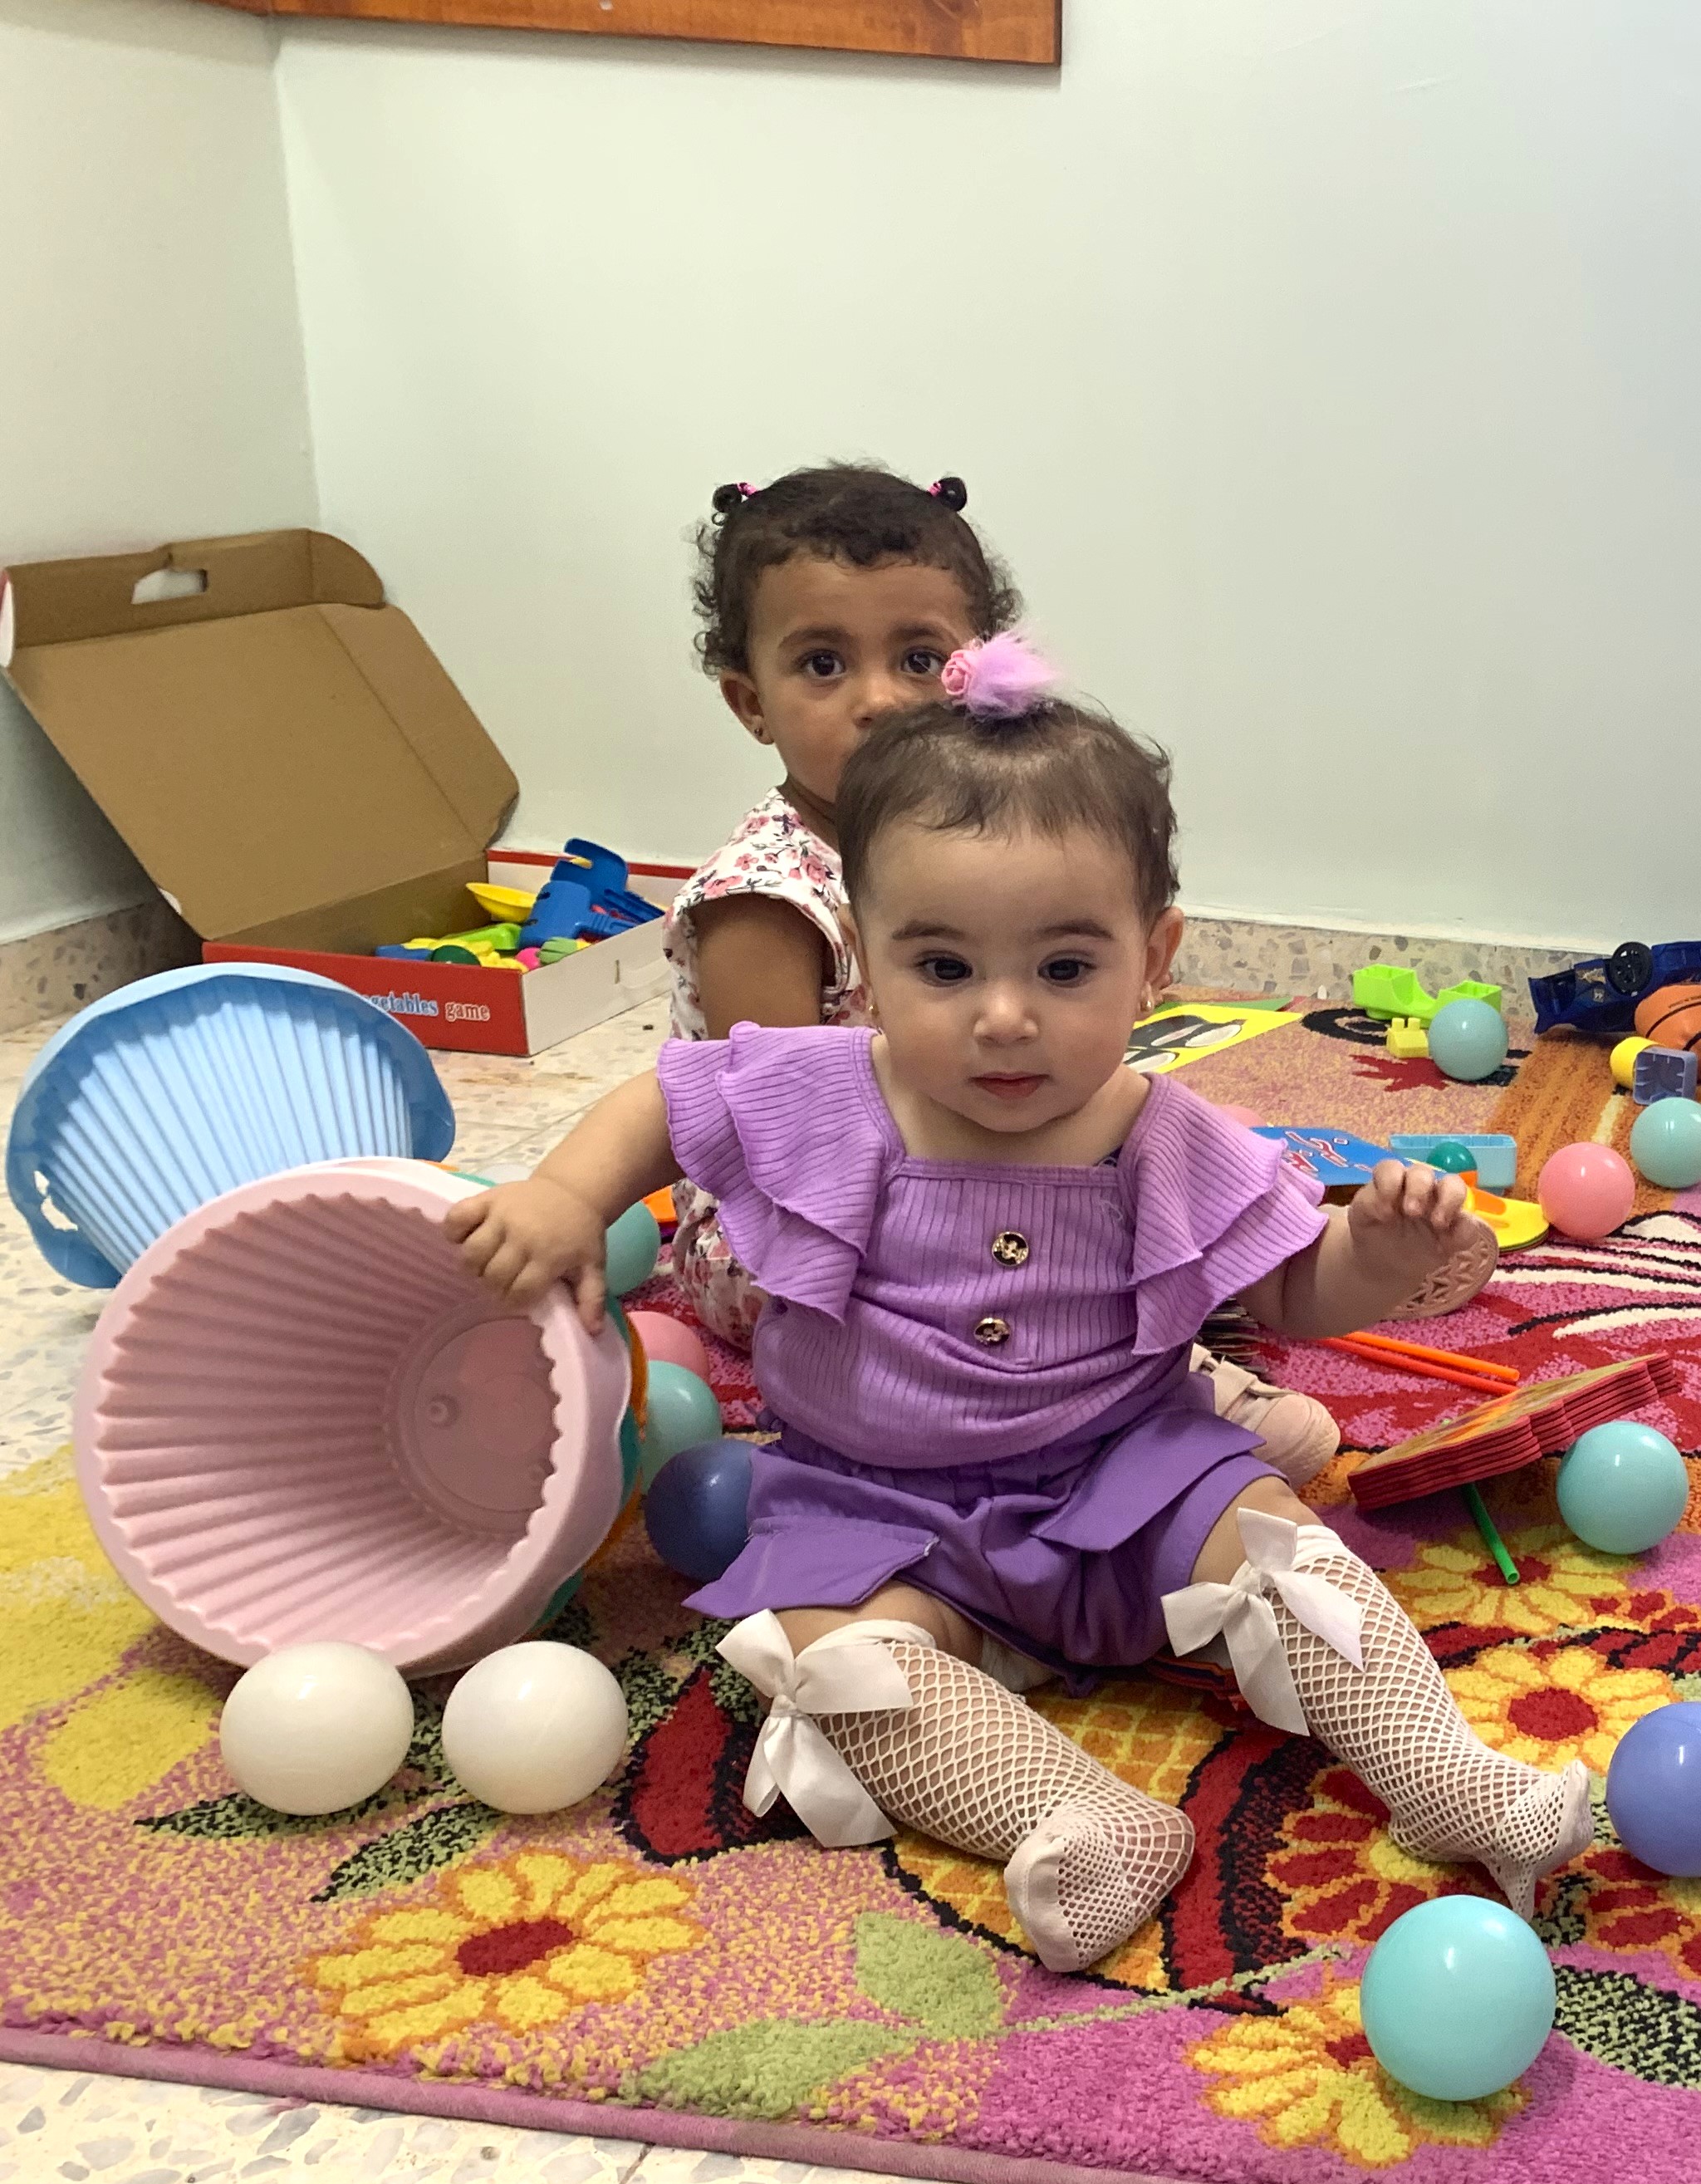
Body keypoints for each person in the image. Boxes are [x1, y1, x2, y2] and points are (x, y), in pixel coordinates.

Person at [450, 640, 1577, 1970]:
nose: (1002, 1020)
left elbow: (1294, 1290)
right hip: (876, 1504)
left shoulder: (1168, 1133)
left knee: (1285, 1550)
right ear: (863, 956)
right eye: (941, 969)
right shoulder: (825, 1086)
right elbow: (666, 1100)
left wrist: (1376, 1260)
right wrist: (569, 1195)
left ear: (1153, 957)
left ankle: (1442, 1774)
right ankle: (1078, 1817)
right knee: (829, 1664)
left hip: (1125, 1473)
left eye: (1062, 969)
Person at [664, 464, 1333, 1476]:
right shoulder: (766, 893)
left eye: (920, 657)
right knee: (1073, 1219)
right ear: (750, 700)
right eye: (823, 665)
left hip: (970, 1142)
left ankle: (1110, 1354)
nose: (881, 699)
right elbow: (770, 1132)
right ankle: (1097, 1397)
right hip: (816, 1229)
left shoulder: (993, 842)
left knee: (1152, 1173)